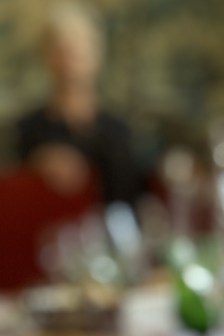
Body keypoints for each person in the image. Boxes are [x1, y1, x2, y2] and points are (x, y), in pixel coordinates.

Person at [16, 3, 143, 208]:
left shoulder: (120, 129)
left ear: (97, 54)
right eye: (62, 50)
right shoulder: (27, 130)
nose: (70, 61)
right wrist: (38, 164)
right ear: (47, 56)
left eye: (79, 50)